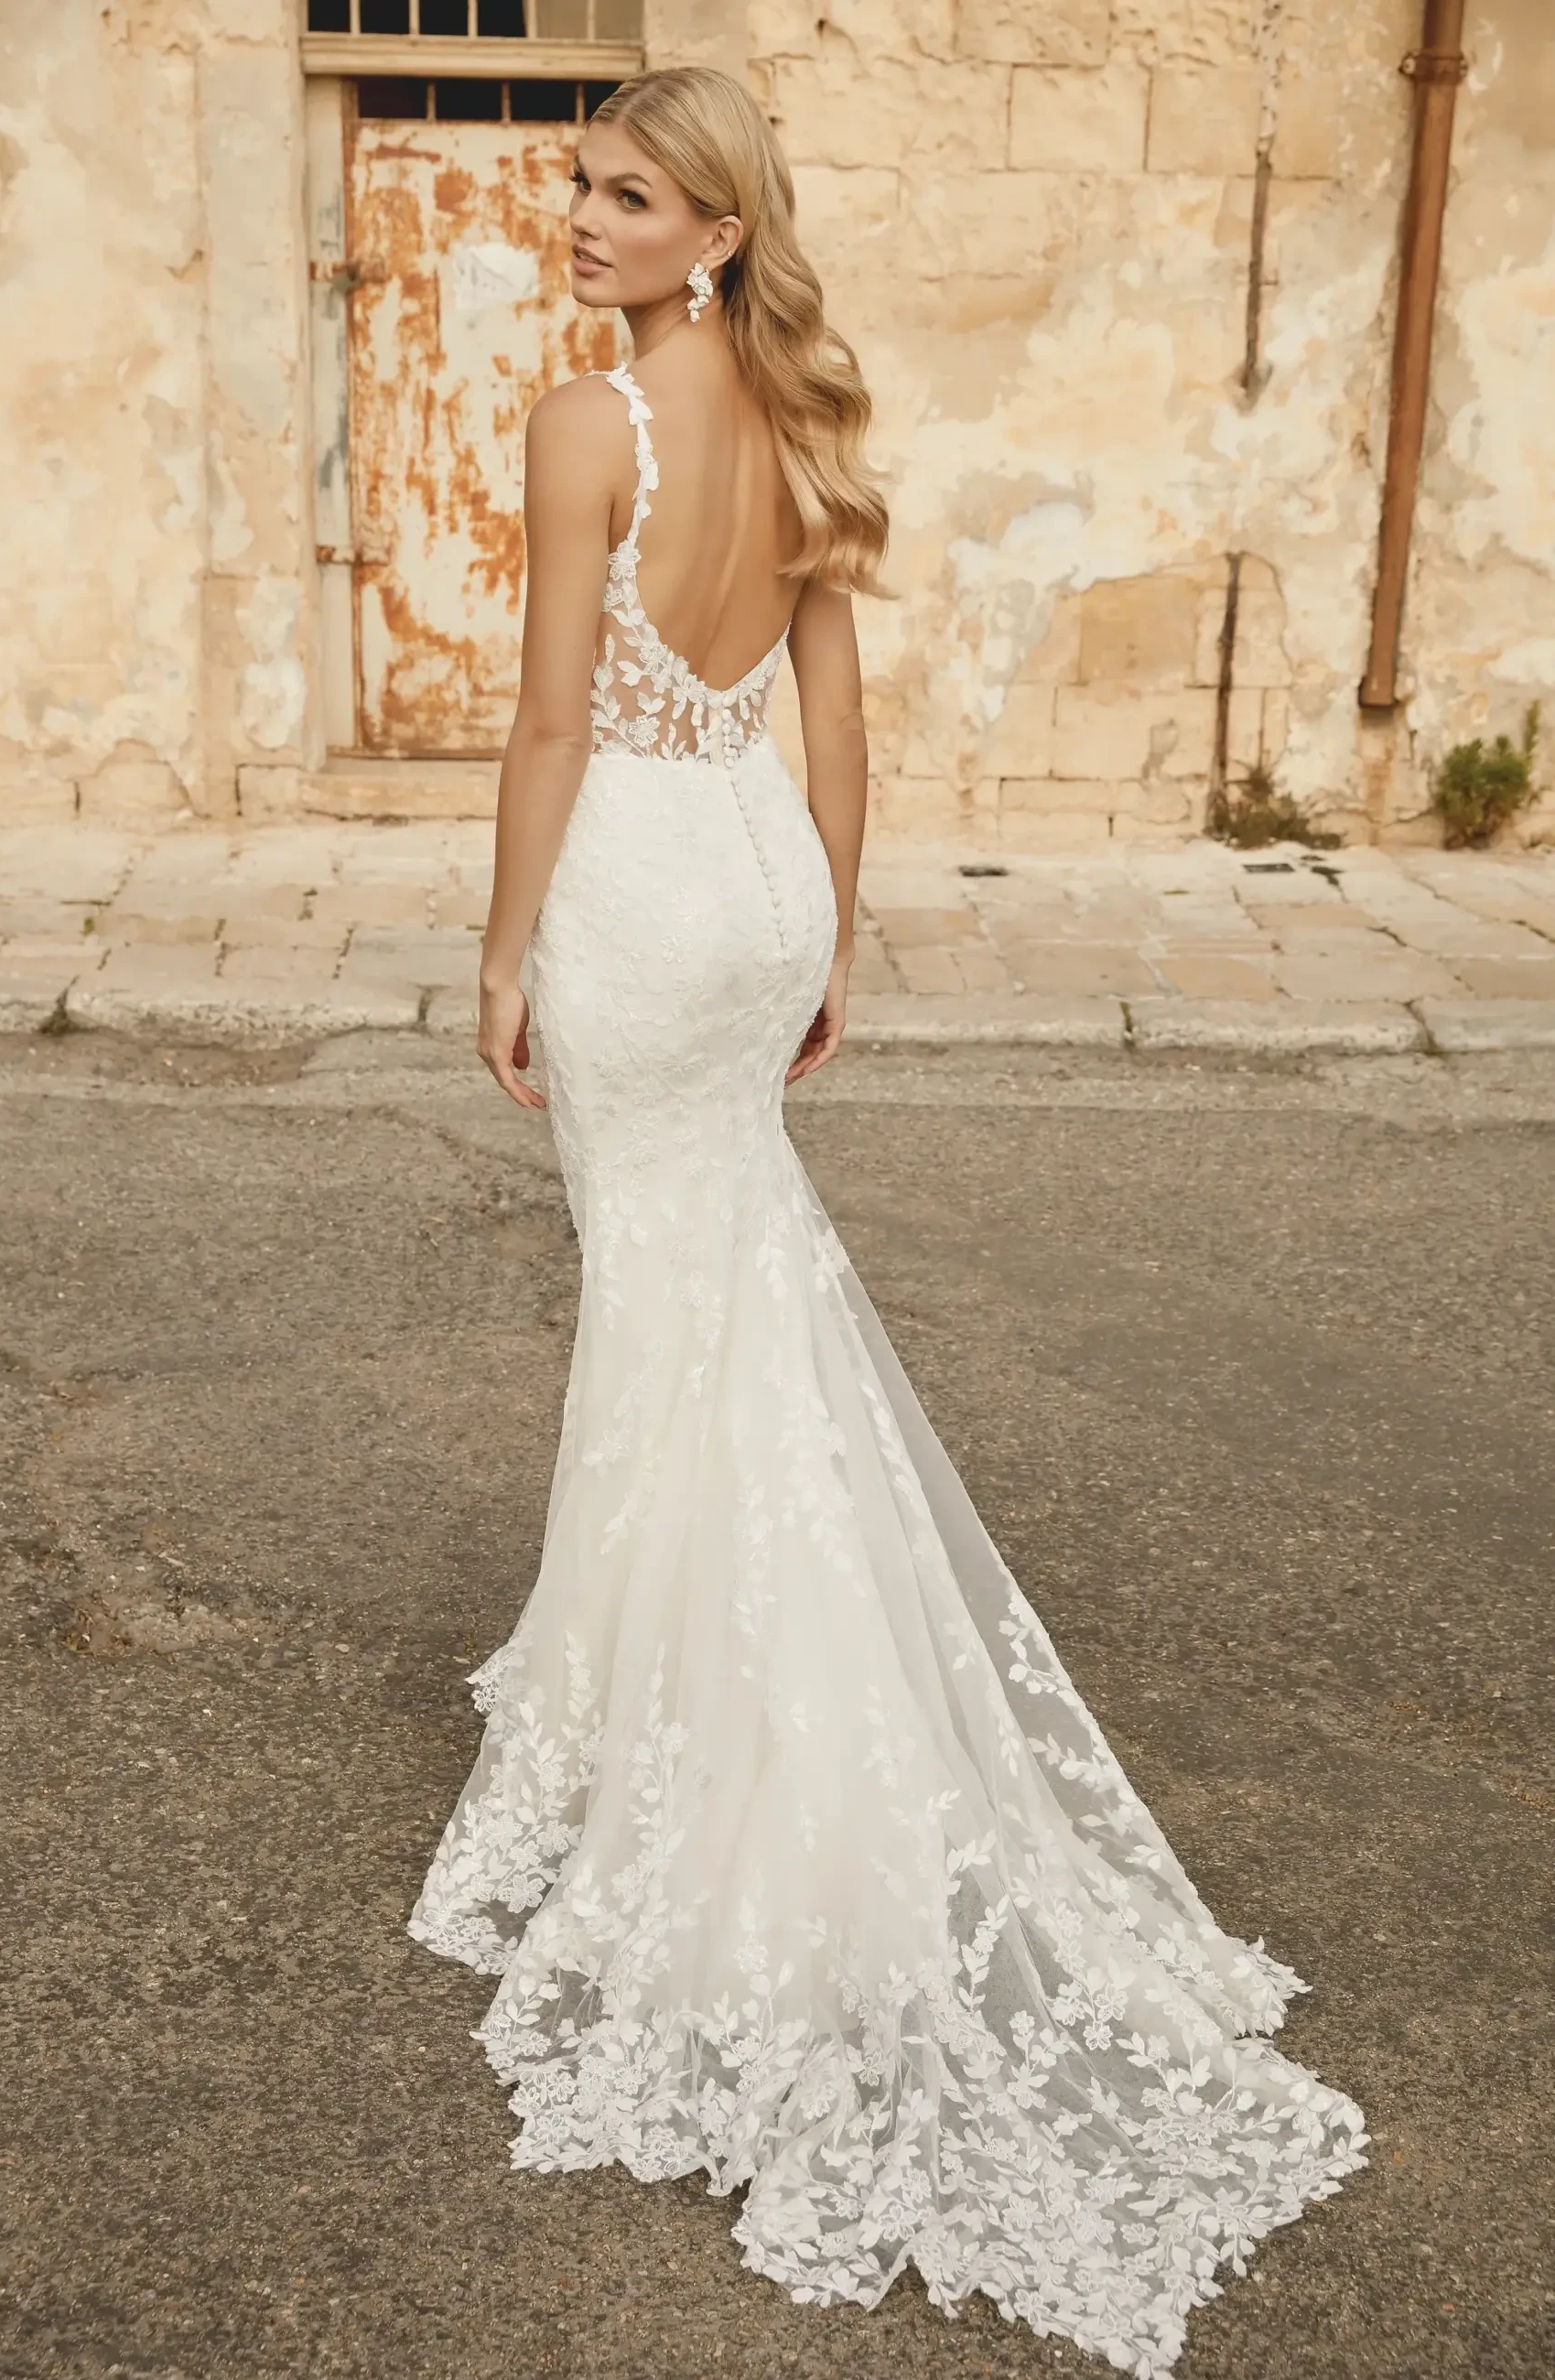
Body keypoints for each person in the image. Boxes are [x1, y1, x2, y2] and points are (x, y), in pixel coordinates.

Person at [410, 65, 1366, 2377]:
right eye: (578, 185)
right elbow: (836, 705)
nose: (579, 219)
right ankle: (644, 1694)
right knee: (727, 1293)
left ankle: (686, 1754)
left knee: (661, 1313)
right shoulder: (803, 405)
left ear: (715, 228)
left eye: (623, 197)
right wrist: (835, 932)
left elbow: (547, 723)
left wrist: (500, 944)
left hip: (639, 881)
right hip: (750, 882)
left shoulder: (586, 425)